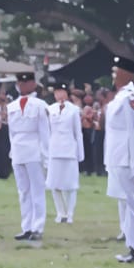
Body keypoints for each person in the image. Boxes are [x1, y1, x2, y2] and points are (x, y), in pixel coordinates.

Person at [105, 57, 134, 263]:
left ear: (127, 73)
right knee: (131, 202)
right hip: (119, 155)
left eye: (117, 71)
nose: (114, 75)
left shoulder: (131, 97)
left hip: (127, 157)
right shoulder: (121, 96)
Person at [7, 73, 51, 242]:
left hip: (34, 150)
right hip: (18, 150)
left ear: (33, 84)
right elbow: (11, 133)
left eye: (26, 82)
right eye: (20, 82)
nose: (23, 85)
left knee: (37, 190)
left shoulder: (40, 105)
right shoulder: (12, 106)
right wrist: (12, 151)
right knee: (23, 191)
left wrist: (46, 156)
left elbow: (44, 132)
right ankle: (26, 227)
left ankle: (37, 227)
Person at [44, 79, 84, 223]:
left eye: (62, 92)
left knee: (70, 184)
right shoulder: (50, 109)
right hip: (54, 149)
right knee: (54, 183)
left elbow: (77, 132)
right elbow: (47, 131)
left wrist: (80, 153)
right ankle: (60, 212)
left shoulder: (73, 110)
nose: (59, 95)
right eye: (57, 92)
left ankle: (70, 213)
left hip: (69, 150)